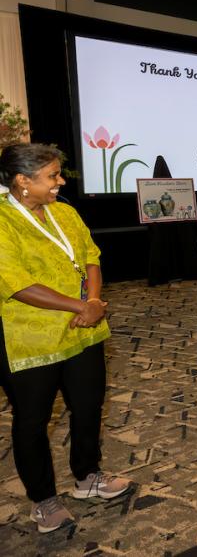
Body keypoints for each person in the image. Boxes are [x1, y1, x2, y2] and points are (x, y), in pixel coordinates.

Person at [0, 143, 133, 533]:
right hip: (29, 339)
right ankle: (43, 500)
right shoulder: (3, 221)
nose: (60, 182)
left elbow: (91, 256)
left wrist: (92, 302)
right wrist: (81, 306)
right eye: (52, 176)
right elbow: (16, 282)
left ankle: (88, 477)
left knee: (89, 406)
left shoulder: (65, 212)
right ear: (23, 181)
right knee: (32, 420)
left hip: (82, 331)